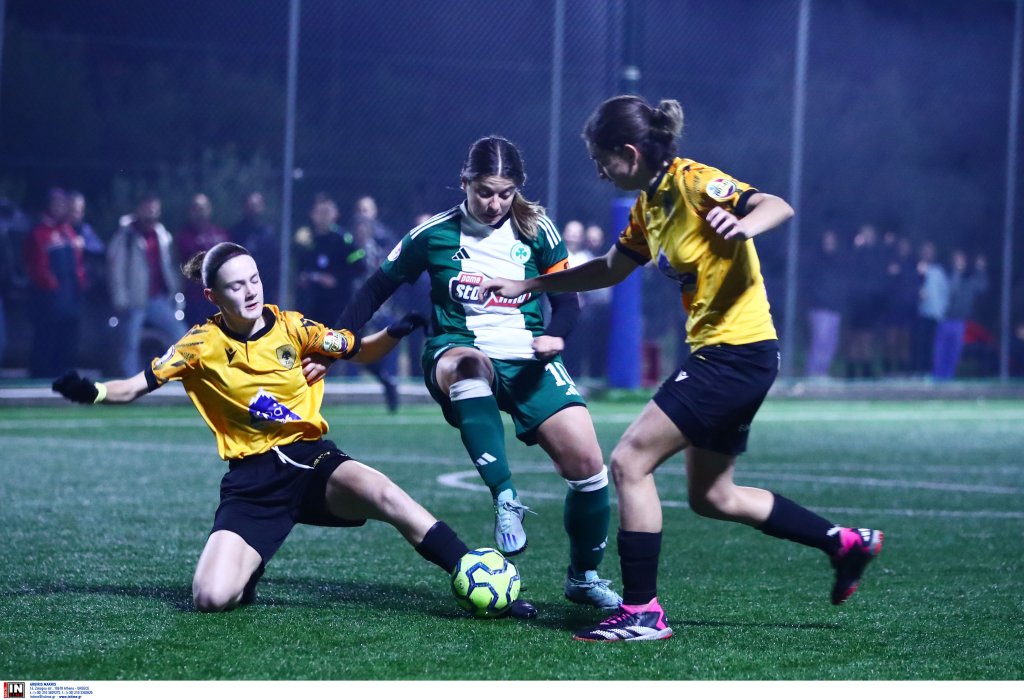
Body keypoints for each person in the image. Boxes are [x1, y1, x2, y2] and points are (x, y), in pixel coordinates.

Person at [482, 96, 885, 642]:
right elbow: (608, 269)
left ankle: (642, 611)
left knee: (629, 461)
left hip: (734, 354)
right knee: (713, 496)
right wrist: (530, 285)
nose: (600, 171)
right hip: (734, 356)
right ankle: (844, 543)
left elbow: (776, 205)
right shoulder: (649, 205)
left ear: (629, 153)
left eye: (602, 159)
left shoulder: (694, 182)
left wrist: (743, 226)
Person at [51, 241, 535, 618]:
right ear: (212, 296)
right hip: (252, 484)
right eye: (236, 286)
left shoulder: (294, 327)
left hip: (311, 460)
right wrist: (92, 391)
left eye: (254, 279)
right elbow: (135, 385)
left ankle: (473, 572)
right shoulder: (199, 344)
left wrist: (395, 332)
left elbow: (356, 348)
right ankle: (249, 568)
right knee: (211, 598)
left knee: (385, 494)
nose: (250, 291)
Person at [331, 136, 622, 611]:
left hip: (528, 357)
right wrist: (333, 343)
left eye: (505, 193)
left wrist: (555, 335)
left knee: (589, 467)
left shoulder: (538, 230)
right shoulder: (433, 234)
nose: (495, 203)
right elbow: (375, 288)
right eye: (485, 191)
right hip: (457, 347)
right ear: (465, 182)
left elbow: (568, 302)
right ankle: (505, 497)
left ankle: (584, 577)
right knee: (469, 366)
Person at [108, 193, 188, 377]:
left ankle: (180, 374)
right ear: (139, 210)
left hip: (157, 298)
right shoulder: (126, 236)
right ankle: (131, 380)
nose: (151, 214)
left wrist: (174, 288)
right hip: (134, 300)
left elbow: (169, 264)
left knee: (180, 333)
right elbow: (116, 269)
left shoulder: (161, 235)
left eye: (154, 210)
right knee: (130, 343)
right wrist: (120, 298)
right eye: (148, 209)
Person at [23, 187, 87, 378]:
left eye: (63, 204)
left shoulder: (68, 231)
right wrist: (51, 285)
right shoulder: (38, 232)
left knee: (67, 343)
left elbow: (78, 262)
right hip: (48, 300)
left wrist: (80, 281)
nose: (61, 208)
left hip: (70, 298)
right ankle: (40, 379)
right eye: (57, 204)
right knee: (46, 342)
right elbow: (35, 267)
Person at [932, 250, 988, 380]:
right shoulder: (948, 276)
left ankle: (948, 377)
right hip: (945, 320)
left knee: (954, 352)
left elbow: (982, 287)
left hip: (960, 321)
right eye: (957, 259)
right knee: (941, 351)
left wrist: (981, 270)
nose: (960, 262)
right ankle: (937, 376)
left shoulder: (970, 280)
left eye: (961, 259)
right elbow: (952, 290)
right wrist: (957, 272)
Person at [177, 193, 230, 326]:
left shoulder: (221, 235)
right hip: (194, 298)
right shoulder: (184, 237)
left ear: (209, 209)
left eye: (203, 208)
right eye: (196, 208)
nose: (200, 212)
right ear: (190, 211)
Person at [803, 229, 847, 378]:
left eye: (832, 239)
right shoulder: (817, 260)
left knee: (831, 342)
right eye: (827, 239)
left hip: (835, 307)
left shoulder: (839, 259)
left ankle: (822, 371)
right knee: (820, 341)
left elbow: (842, 283)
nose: (830, 242)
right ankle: (813, 372)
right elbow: (812, 284)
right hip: (819, 307)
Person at [228, 191, 280, 303]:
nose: (254, 210)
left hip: (266, 284)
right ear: (244, 207)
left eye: (256, 206)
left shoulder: (269, 233)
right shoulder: (236, 232)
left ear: (262, 207)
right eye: (250, 206)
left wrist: (276, 288)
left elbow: (275, 261)